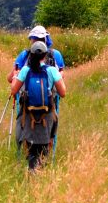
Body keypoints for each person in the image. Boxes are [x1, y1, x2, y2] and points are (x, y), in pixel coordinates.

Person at [10, 40, 66, 171]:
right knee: (45, 145)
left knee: (31, 148)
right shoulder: (52, 70)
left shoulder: (25, 70)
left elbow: (14, 90)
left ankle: (32, 170)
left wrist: (14, 77)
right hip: (47, 115)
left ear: (30, 55)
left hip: (28, 116)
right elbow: (63, 93)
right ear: (45, 55)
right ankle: (42, 171)